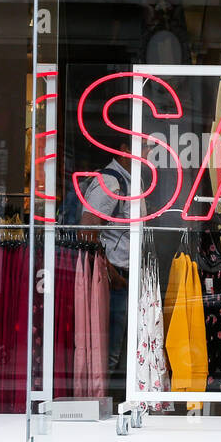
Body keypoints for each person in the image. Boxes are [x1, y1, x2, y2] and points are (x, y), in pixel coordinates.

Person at [79, 156, 151, 396]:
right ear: (123, 149)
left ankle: (118, 401)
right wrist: (110, 272)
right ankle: (103, 403)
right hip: (115, 277)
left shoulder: (133, 179)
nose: (149, 150)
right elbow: (87, 231)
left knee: (126, 347)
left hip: (128, 275)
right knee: (109, 349)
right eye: (144, 145)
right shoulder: (110, 181)